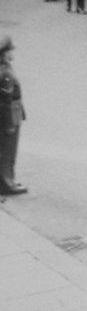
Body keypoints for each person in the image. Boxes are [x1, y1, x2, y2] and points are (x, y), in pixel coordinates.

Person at [0, 37, 27, 196]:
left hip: (11, 114)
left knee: (4, 149)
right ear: (4, 54)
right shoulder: (6, 73)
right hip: (9, 117)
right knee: (8, 150)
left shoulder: (4, 69)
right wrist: (10, 124)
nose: (13, 53)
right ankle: (7, 183)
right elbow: (6, 100)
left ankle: (4, 180)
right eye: (10, 51)